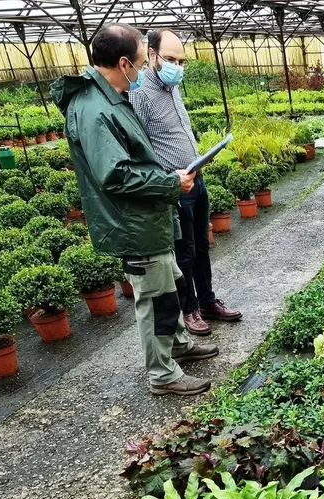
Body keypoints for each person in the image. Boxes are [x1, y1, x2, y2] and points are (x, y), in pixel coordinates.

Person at [50, 23, 218, 396]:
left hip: (148, 217)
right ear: (124, 62)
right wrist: (172, 183)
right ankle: (162, 374)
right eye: (142, 64)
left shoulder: (110, 98)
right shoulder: (94, 110)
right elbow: (116, 176)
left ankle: (177, 346)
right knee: (155, 300)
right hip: (132, 223)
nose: (144, 71)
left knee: (168, 285)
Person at [130, 28, 243, 337]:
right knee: (184, 252)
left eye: (181, 61)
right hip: (174, 186)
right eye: (170, 59)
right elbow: (136, 147)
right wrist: (166, 179)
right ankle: (189, 308)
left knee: (203, 245)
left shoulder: (173, 87)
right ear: (151, 54)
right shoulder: (139, 94)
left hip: (196, 179)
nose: (176, 67)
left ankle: (207, 301)